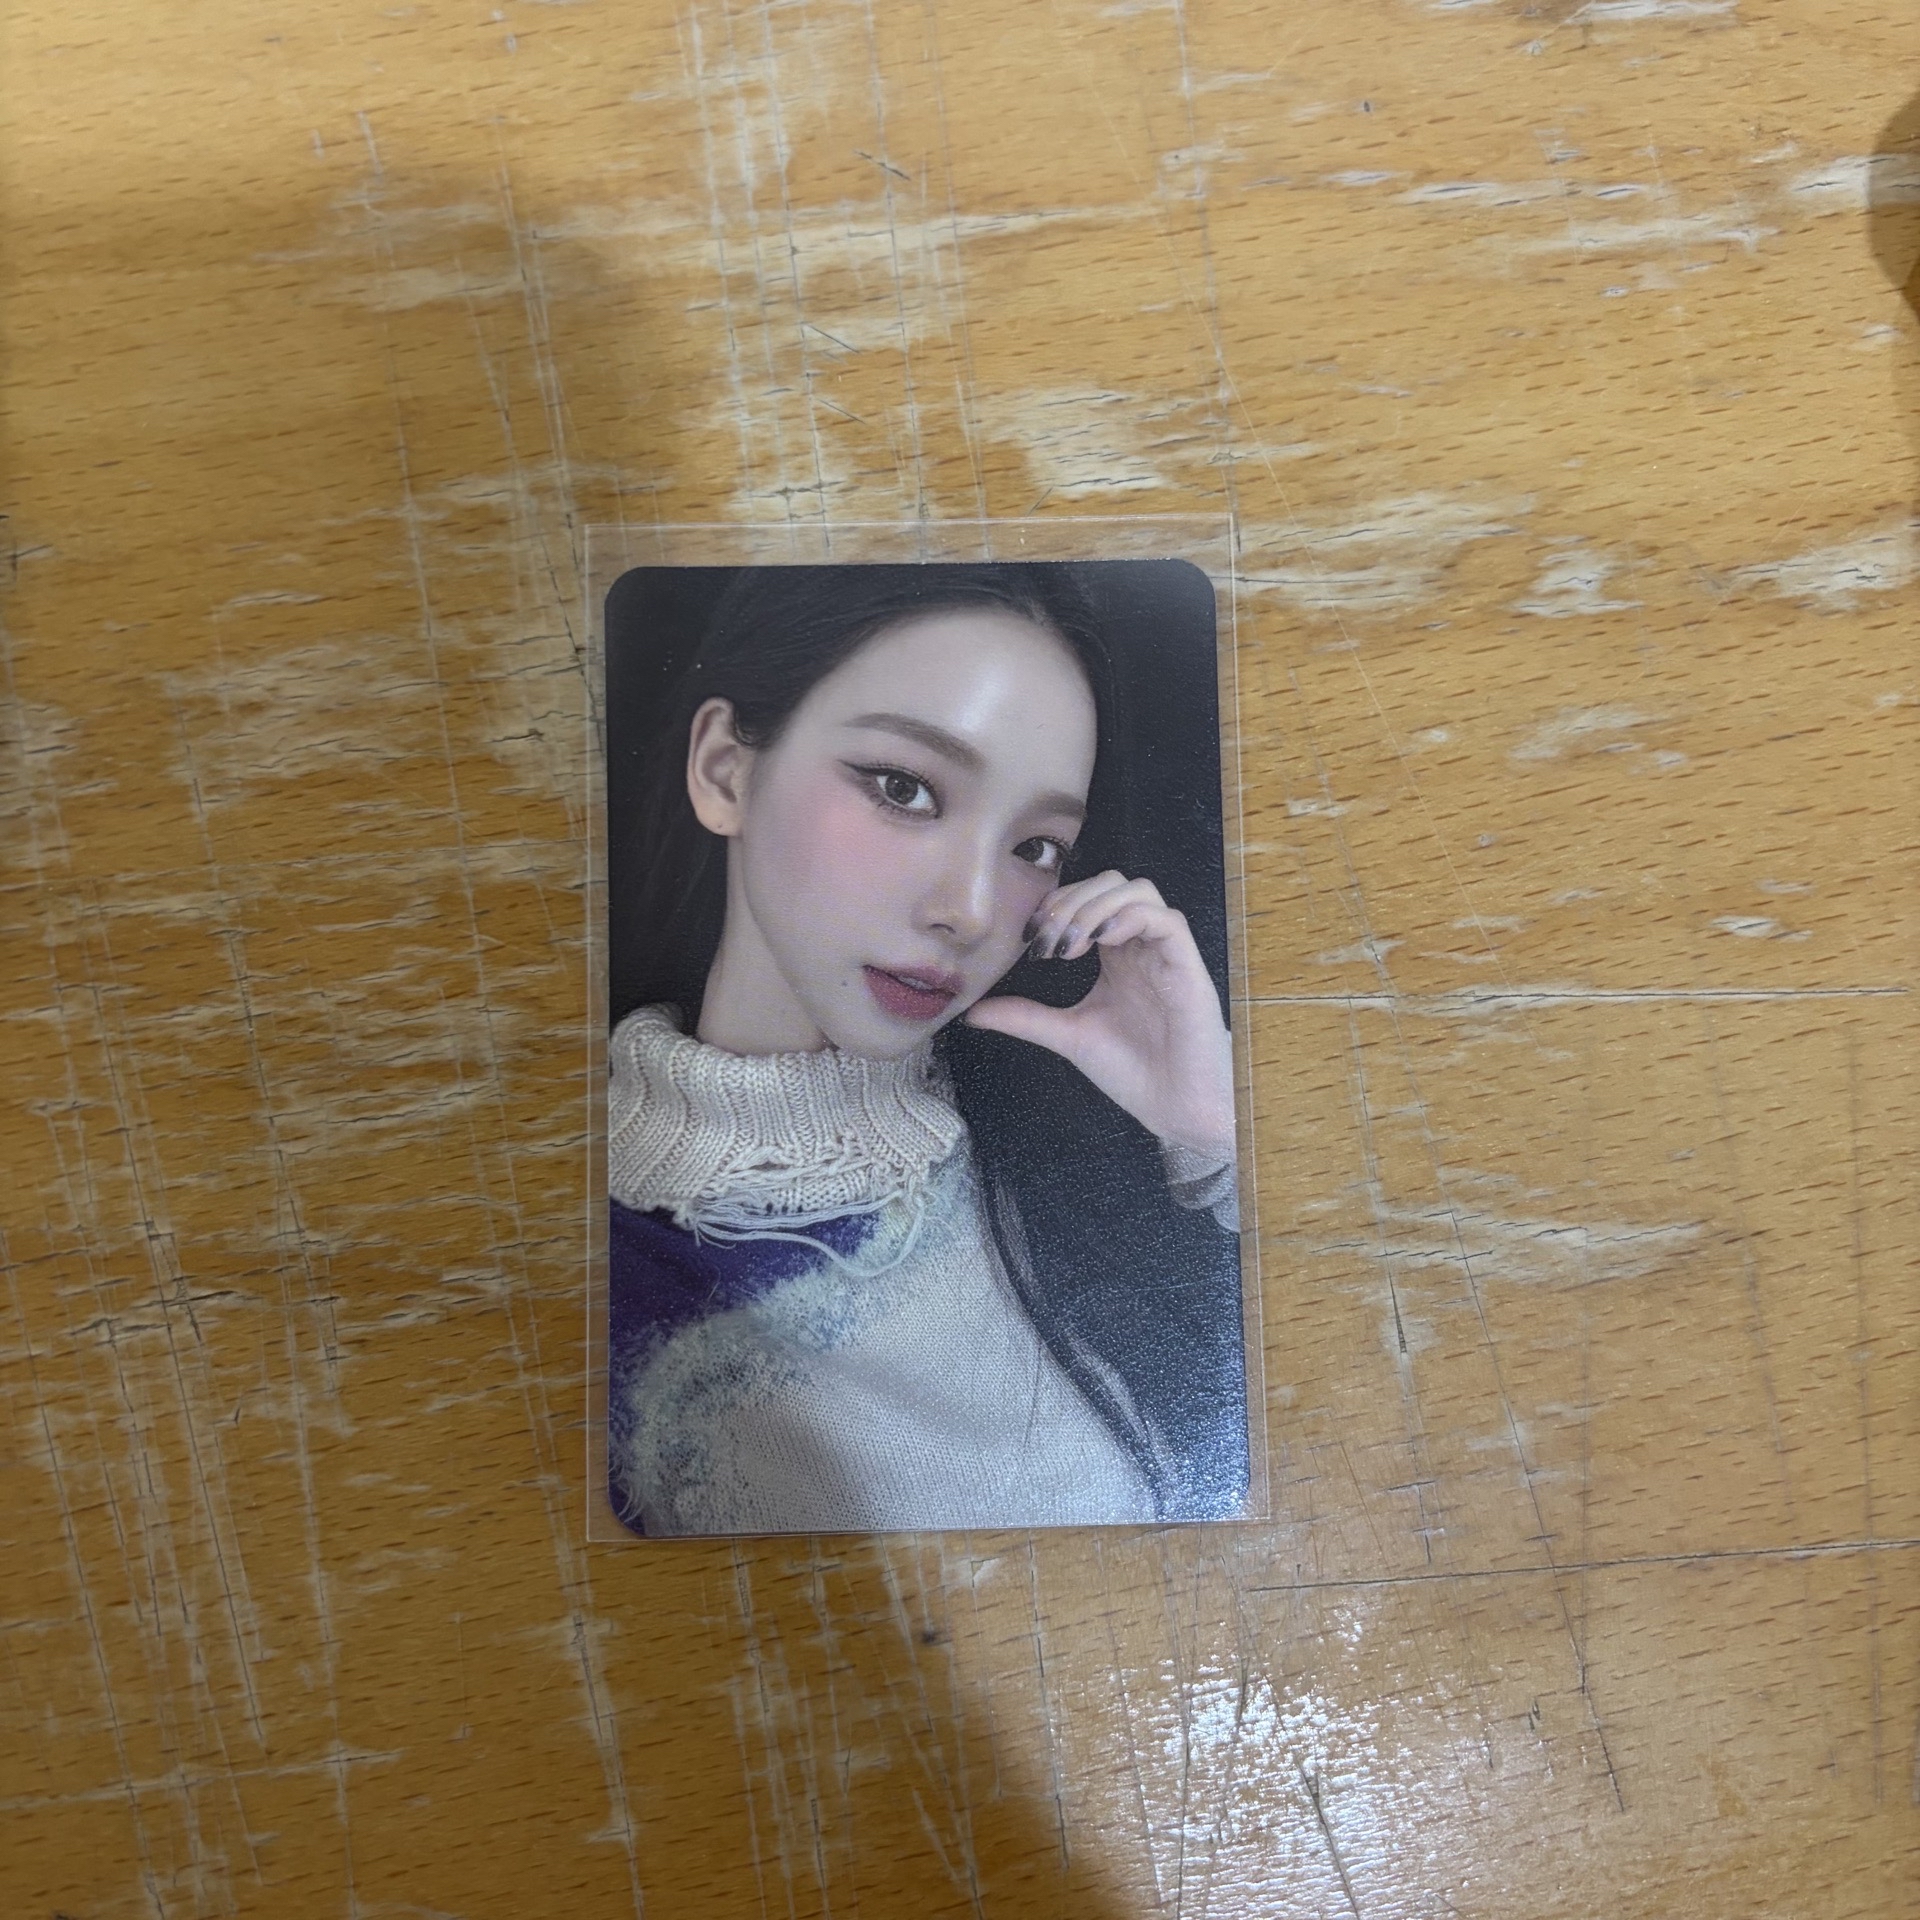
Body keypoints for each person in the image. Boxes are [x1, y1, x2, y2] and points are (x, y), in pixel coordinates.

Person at [606, 563, 1248, 1535]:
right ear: (725, 771)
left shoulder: (1063, 1125)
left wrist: (1216, 1137)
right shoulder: (599, 1268)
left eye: (1035, 847)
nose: (973, 913)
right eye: (904, 789)